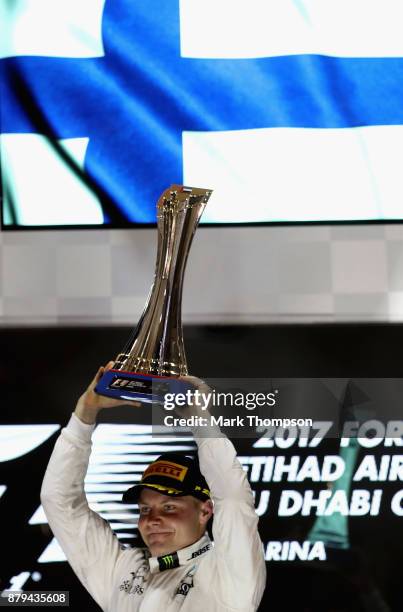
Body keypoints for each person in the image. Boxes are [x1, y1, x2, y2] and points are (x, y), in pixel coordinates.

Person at [41, 363, 266, 611]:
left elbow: (233, 499)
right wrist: (84, 414)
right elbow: (59, 501)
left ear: (205, 511)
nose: (152, 520)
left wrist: (200, 420)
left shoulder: (228, 572)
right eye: (145, 510)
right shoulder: (123, 569)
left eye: (169, 507)